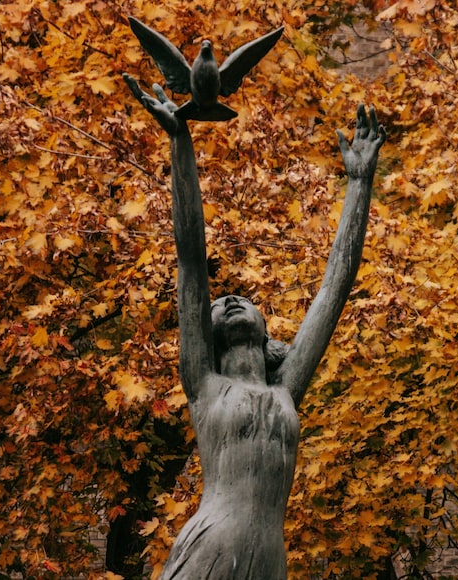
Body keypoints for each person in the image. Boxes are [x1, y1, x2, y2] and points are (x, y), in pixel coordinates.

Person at [123, 76, 385, 578]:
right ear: (208, 333)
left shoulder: (286, 390)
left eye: (242, 300)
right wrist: (180, 142)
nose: (230, 300)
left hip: (268, 560)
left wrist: (358, 183)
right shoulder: (204, 385)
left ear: (266, 331)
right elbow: (191, 258)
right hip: (213, 548)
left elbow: (335, 287)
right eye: (220, 304)